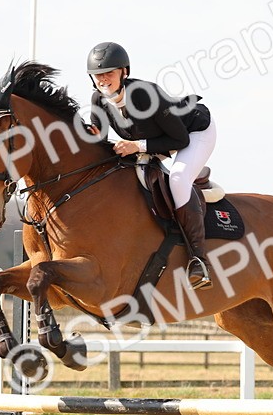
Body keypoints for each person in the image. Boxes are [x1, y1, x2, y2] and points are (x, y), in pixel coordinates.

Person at [85, 41, 215, 290]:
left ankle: (199, 260)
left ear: (124, 72)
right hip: (157, 140)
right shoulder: (98, 100)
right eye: (98, 75)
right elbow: (99, 140)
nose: (103, 80)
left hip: (194, 132)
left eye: (109, 73)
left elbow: (180, 140)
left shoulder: (145, 95)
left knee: (177, 179)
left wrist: (137, 147)